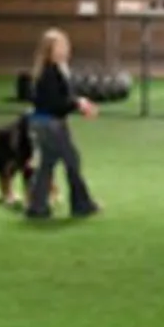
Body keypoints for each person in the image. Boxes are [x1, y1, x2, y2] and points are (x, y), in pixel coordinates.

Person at [26, 28, 101, 220]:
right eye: (61, 46)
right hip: (51, 124)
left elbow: (61, 99)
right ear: (50, 49)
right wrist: (78, 104)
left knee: (47, 164)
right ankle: (81, 204)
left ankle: (37, 206)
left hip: (43, 122)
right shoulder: (50, 72)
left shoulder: (53, 70)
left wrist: (79, 103)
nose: (66, 49)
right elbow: (56, 103)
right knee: (72, 161)